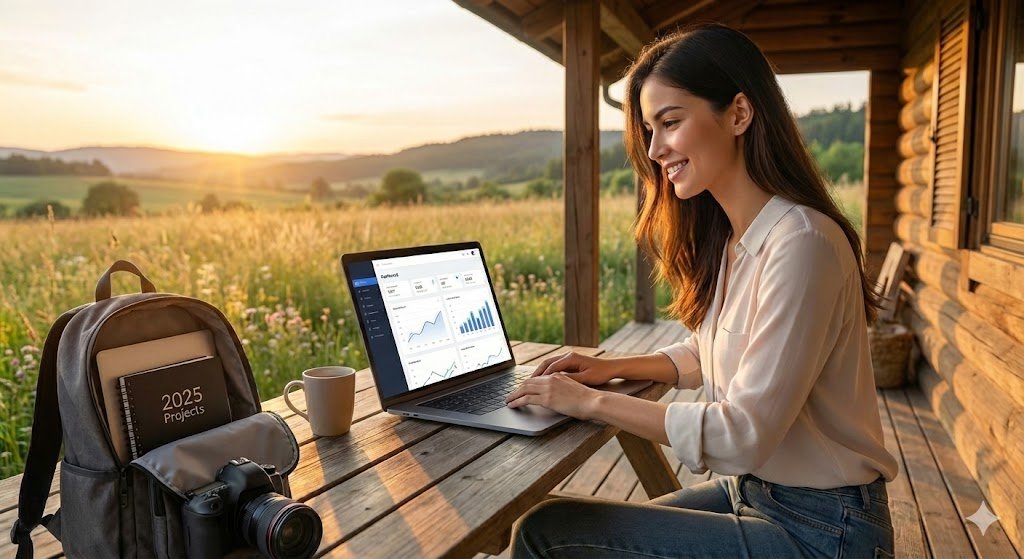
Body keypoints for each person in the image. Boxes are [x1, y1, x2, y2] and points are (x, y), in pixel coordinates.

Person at [505, 23, 899, 559]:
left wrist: (590, 402)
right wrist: (609, 368)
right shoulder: (738, 240)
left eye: (670, 122)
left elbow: (742, 435)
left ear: (738, 114)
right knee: (577, 529)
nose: (655, 149)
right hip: (755, 493)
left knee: (548, 533)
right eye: (649, 129)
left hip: (824, 531)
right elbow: (706, 350)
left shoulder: (802, 243)